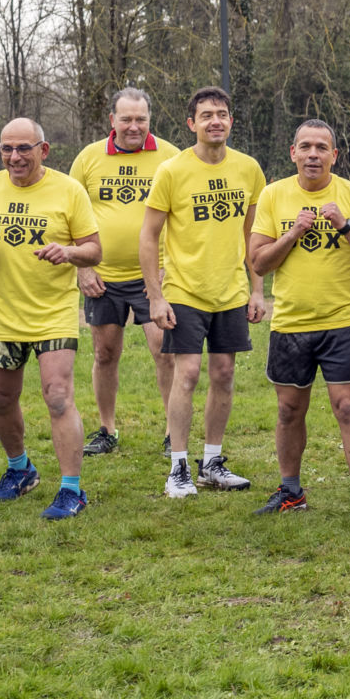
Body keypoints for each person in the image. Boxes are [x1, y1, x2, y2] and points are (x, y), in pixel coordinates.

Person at [246, 120, 350, 525]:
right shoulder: (273, 195)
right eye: (305, 147)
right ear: (293, 152)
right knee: (289, 410)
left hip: (342, 321)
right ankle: (291, 491)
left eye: (321, 147)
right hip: (290, 324)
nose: (313, 154)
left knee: (348, 408)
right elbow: (258, 261)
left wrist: (345, 226)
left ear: (334, 155)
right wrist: (292, 234)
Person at [0, 117, 102, 520]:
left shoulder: (69, 190)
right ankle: (20, 469)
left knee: (58, 397)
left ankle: (72, 490)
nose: (15, 156)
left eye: (24, 148)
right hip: (2, 315)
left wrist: (69, 253)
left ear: (44, 150)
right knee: (1, 399)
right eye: (7, 148)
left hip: (52, 313)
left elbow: (94, 250)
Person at [142, 86, 268, 497]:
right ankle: (178, 468)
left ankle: (211, 462)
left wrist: (257, 289)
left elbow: (255, 234)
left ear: (231, 120)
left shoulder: (249, 169)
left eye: (223, 113)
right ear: (191, 123)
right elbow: (148, 236)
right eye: (207, 114)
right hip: (184, 290)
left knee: (225, 373)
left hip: (230, 290)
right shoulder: (172, 171)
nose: (216, 120)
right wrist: (156, 295)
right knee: (188, 373)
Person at [69, 87, 180, 457]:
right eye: (127, 119)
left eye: (141, 119)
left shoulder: (171, 157)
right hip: (102, 277)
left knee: (164, 349)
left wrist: (170, 267)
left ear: (150, 119)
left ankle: (171, 432)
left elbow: (181, 219)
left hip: (156, 277)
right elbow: (69, 218)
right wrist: (83, 268)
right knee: (104, 353)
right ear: (112, 120)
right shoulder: (88, 159)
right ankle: (107, 430)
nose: (134, 127)